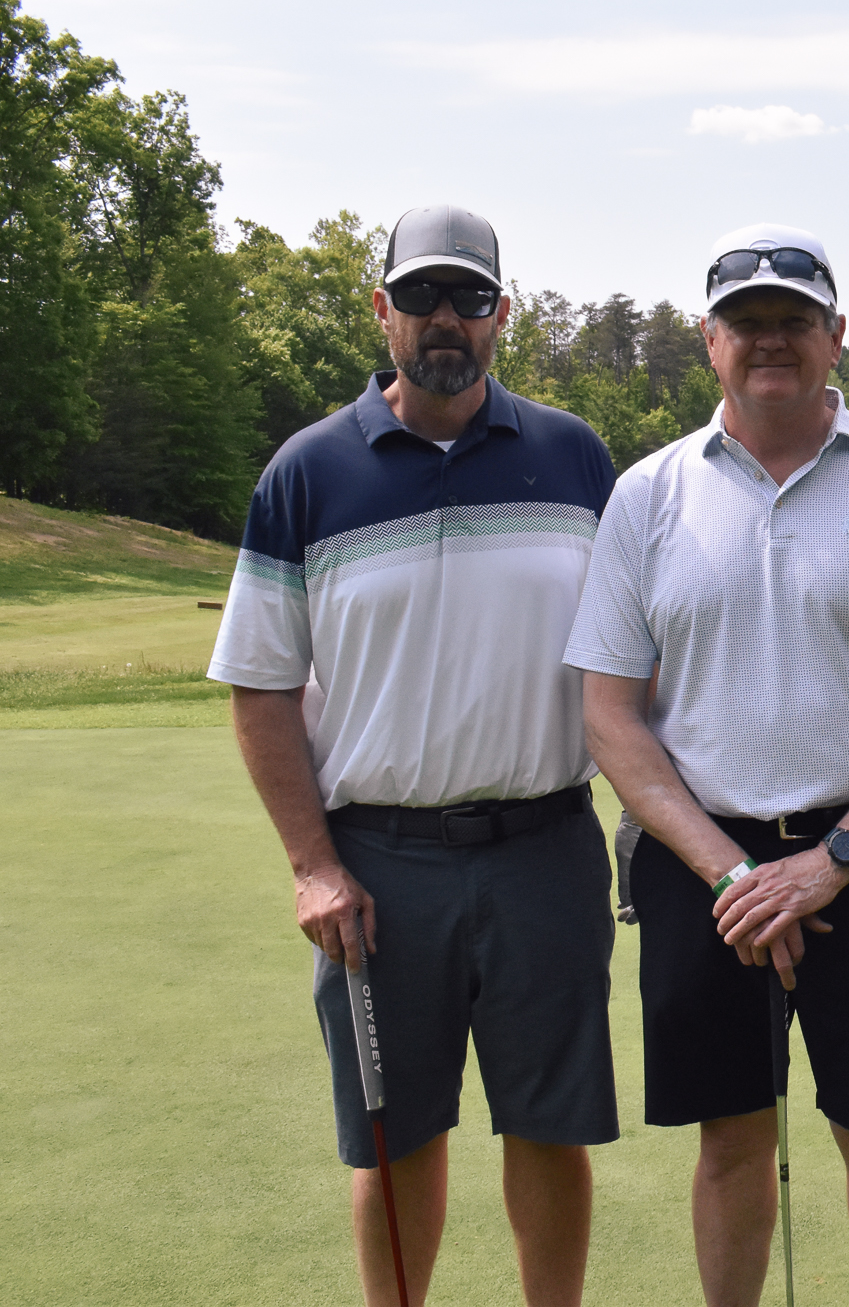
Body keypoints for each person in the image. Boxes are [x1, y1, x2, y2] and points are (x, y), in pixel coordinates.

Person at [568, 223, 849, 1307]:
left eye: (793, 320)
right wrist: (733, 876)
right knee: (730, 1140)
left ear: (835, 335)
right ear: (709, 341)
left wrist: (834, 858)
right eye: (745, 322)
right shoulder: (649, 493)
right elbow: (609, 715)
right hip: (701, 867)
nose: (770, 340)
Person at [207, 204, 620, 1306]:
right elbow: (259, 683)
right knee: (396, 1137)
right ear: (381, 309)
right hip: (379, 867)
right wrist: (312, 865)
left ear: (502, 313)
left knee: (550, 1128)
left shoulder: (575, 457)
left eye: (470, 297)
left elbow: (634, 660)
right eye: (422, 296)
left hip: (546, 849)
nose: (447, 318)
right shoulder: (308, 472)